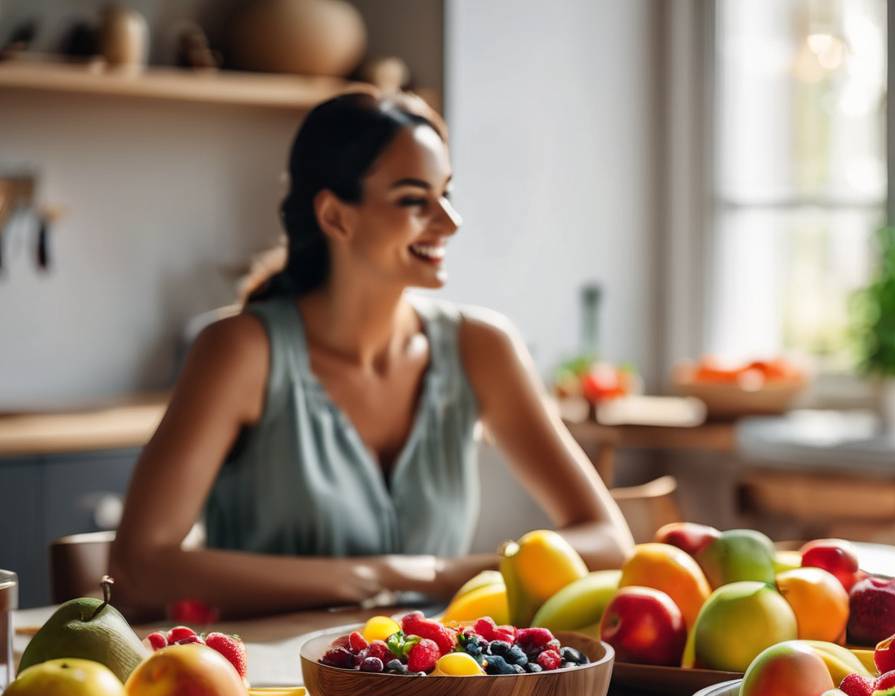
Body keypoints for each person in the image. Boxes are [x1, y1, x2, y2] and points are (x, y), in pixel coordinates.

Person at [109, 91, 632, 619]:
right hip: (270, 689)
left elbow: (609, 541)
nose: (449, 223)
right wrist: (375, 577)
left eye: (446, 194)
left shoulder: (482, 347)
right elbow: (138, 565)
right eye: (413, 200)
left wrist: (435, 573)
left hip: (433, 677)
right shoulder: (240, 352)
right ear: (336, 216)